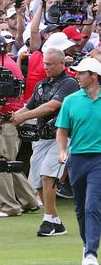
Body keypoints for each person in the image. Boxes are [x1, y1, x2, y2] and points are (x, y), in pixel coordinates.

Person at [10, 47, 78, 236]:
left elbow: (51, 106)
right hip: (41, 137)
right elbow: (29, 106)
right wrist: (12, 116)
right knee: (38, 180)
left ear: (61, 64)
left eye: (49, 64)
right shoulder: (41, 84)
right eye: (44, 63)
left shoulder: (70, 83)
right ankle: (56, 222)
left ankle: (47, 220)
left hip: (62, 136)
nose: (45, 67)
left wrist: (23, 117)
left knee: (48, 175)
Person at [0, 34, 40, 218]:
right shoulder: (3, 64)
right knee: (8, 163)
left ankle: (10, 206)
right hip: (8, 119)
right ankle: (30, 201)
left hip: (5, 120)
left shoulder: (3, 66)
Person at [56, 57, 101, 265]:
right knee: (81, 208)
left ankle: (91, 252)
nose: (77, 76)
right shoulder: (71, 100)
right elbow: (62, 130)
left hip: (99, 159)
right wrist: (62, 151)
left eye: (82, 73)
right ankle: (87, 246)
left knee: (93, 204)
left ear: (94, 76)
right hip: (77, 159)